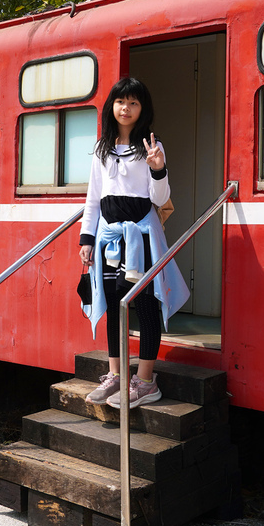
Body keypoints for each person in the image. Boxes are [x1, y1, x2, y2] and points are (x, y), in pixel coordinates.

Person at [78, 77, 189, 409]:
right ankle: (116, 376)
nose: (125, 108)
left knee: (145, 305)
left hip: (142, 237)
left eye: (133, 103)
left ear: (143, 109)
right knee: (113, 304)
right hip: (109, 238)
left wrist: (158, 169)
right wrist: (86, 239)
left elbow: (160, 197)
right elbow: (93, 199)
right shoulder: (102, 149)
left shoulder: (152, 147)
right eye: (120, 102)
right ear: (112, 106)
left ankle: (145, 381)